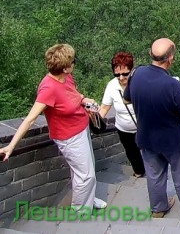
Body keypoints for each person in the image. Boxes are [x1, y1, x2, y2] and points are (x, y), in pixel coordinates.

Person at [0, 44, 108, 212]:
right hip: (69, 137)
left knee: (83, 170)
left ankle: (90, 198)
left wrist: (85, 100)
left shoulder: (67, 77)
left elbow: (73, 94)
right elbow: (30, 119)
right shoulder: (48, 88)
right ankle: (81, 212)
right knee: (86, 175)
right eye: (73, 61)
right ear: (65, 67)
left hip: (81, 127)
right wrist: (11, 146)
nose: (74, 64)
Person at [123, 38, 180, 219]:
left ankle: (159, 208)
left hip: (146, 138)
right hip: (172, 141)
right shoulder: (173, 85)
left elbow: (126, 99)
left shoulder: (137, 74)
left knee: (154, 176)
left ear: (150, 55)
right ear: (170, 59)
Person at [99, 51, 145, 178]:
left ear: (131, 70)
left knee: (149, 152)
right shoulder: (112, 86)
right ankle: (139, 172)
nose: (121, 78)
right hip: (123, 128)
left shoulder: (139, 83)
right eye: (117, 74)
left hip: (143, 126)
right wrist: (95, 121)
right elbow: (104, 107)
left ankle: (154, 177)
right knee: (131, 152)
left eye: (125, 73)